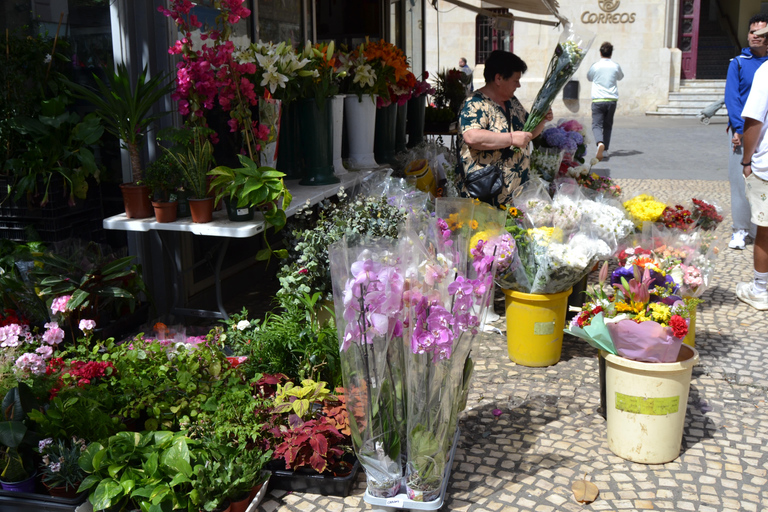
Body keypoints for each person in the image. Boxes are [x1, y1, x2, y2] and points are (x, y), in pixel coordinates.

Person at [457, 50, 552, 206]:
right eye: (515, 80)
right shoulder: (475, 103)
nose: (519, 85)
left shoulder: (512, 102)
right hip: (484, 198)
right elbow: (472, 137)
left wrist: (542, 120)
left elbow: (528, 133)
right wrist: (511, 139)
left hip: (513, 197)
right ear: (499, 78)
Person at [724, 13, 768, 250]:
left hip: (767, 136)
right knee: (741, 182)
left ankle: (757, 227)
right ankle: (740, 229)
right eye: (752, 32)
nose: (755, 37)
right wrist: (739, 130)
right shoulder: (738, 63)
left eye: (760, 33)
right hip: (742, 134)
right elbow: (732, 99)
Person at [736, 36, 768, 311]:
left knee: (765, 230)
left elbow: (755, 119)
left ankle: (759, 289)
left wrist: (747, 159)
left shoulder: (765, 72)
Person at [586, 42, 624, 162]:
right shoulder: (615, 66)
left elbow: (589, 77)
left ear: (600, 52)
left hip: (598, 99)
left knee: (596, 124)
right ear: (611, 53)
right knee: (608, 126)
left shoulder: (595, 66)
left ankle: (599, 143)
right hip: (611, 100)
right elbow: (620, 77)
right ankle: (605, 150)